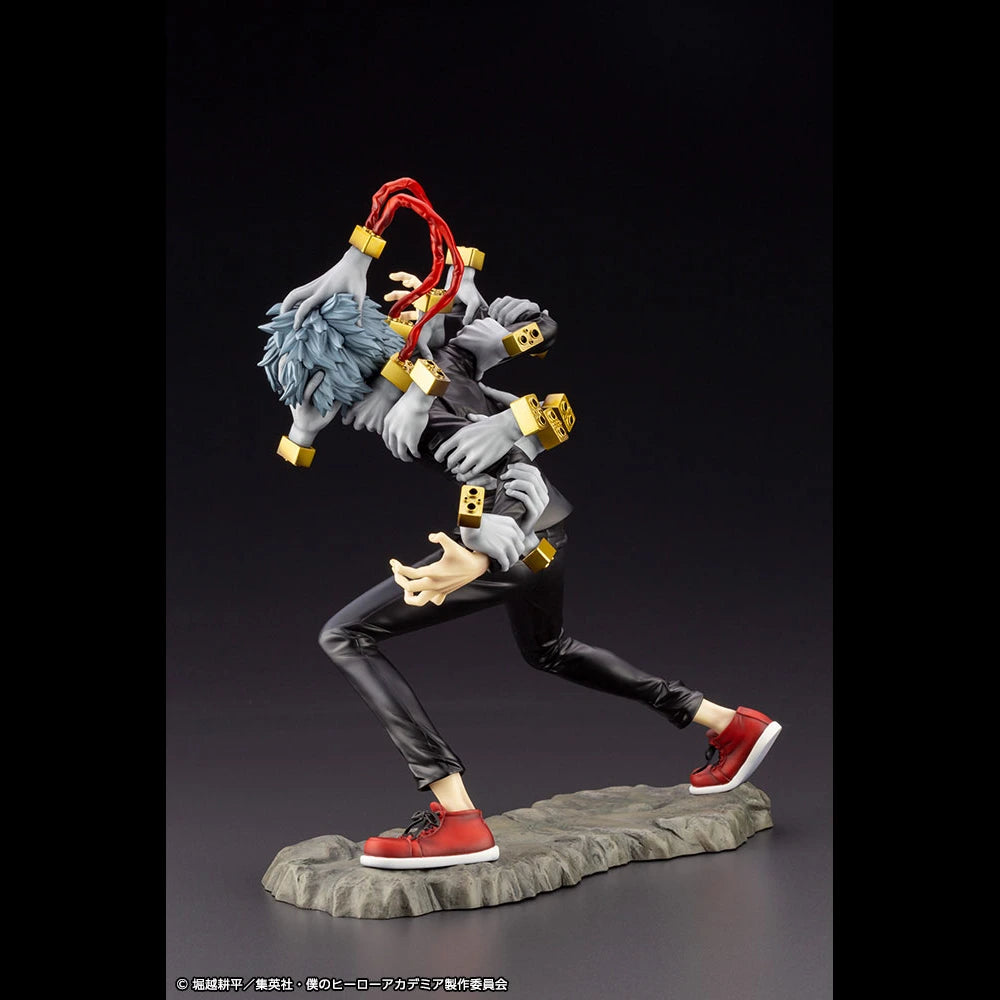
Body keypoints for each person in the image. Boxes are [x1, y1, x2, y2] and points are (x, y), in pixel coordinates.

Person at [261, 251, 781, 872]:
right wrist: (482, 312)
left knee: (345, 635)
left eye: (326, 397)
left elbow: (500, 471)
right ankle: (730, 723)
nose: (340, 416)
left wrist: (476, 548)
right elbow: (535, 334)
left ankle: (457, 818)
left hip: (519, 536)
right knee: (550, 649)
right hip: (547, 534)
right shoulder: (441, 363)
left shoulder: (416, 416)